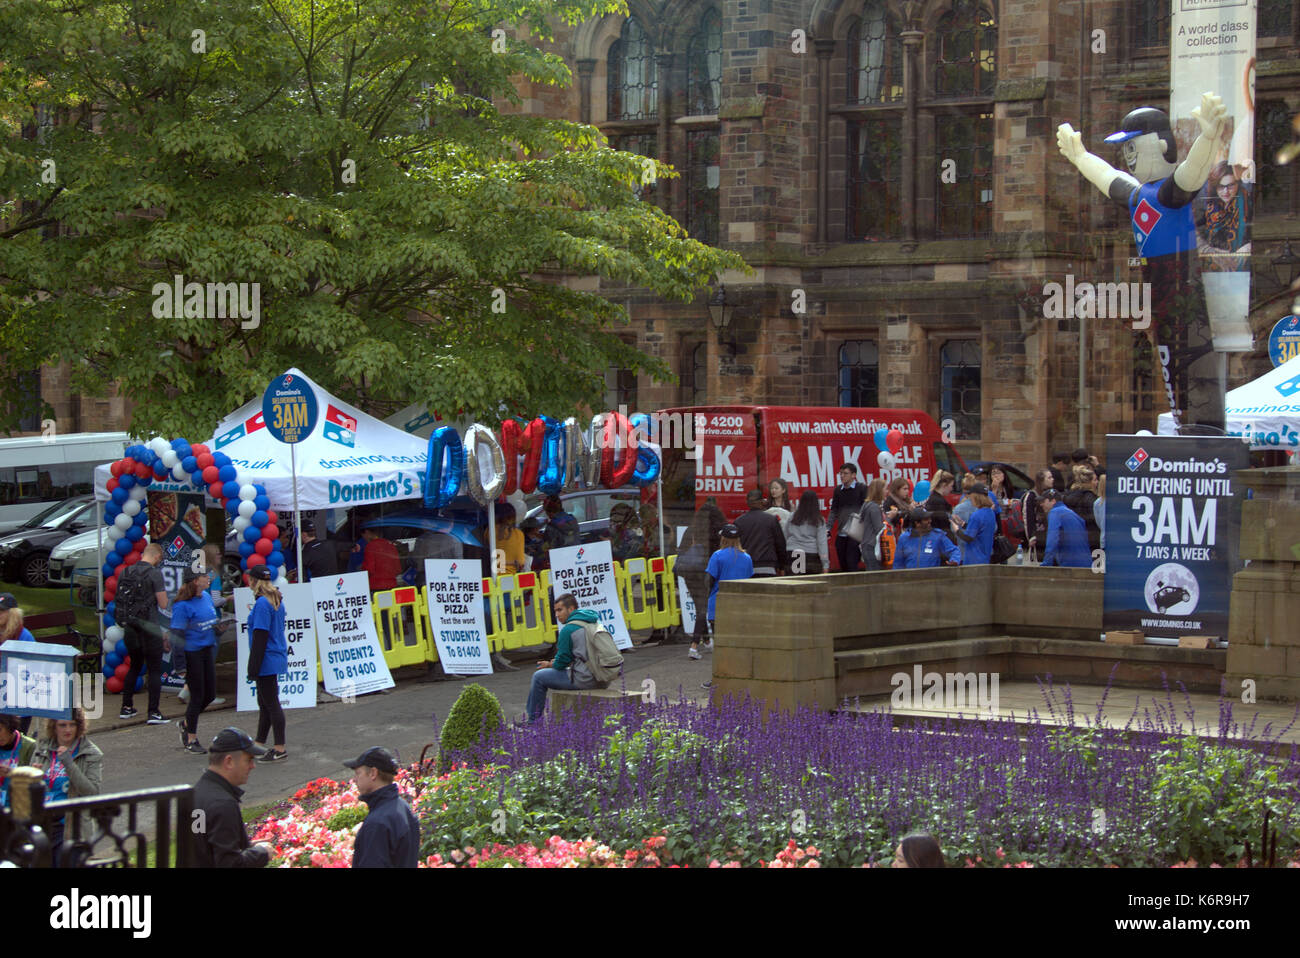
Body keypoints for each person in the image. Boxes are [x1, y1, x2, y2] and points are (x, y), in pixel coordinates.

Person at [187, 727, 273, 868]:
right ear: (229, 761)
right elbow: (230, 864)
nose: (253, 766)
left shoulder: (197, 792)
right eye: (249, 760)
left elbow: (203, 847)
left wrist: (246, 845)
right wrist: (261, 853)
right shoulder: (223, 803)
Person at [31, 708, 102, 863]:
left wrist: (68, 763)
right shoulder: (42, 748)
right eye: (62, 725)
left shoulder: (90, 753)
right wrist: (32, 777)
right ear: (54, 727)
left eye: (72, 725)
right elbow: (29, 792)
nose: (68, 730)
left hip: (70, 828)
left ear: (79, 726)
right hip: (43, 824)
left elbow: (92, 793)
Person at [525, 593, 601, 723]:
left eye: (560, 610)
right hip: (602, 677)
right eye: (555, 611)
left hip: (585, 679)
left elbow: (561, 663)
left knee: (538, 677)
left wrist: (549, 664)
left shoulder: (568, 629)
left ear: (571, 609)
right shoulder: (592, 621)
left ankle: (533, 722)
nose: (557, 615)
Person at [117, 542, 171, 724]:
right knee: (154, 669)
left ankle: (126, 707)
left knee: (134, 665)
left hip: (130, 628)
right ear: (156, 557)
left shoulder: (125, 572)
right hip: (150, 628)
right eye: (160, 559)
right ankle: (153, 712)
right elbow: (163, 604)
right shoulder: (155, 574)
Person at [170, 567, 221, 754]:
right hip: (192, 654)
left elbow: (210, 624)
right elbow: (176, 635)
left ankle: (185, 723)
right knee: (197, 696)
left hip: (207, 649)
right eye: (204, 576)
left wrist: (219, 629)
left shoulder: (206, 597)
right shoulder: (182, 606)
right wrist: (180, 665)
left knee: (210, 695)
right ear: (194, 581)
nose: (208, 578)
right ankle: (191, 738)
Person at [344, 747, 421, 868]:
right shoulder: (403, 807)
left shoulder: (377, 823)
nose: (354, 779)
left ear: (373, 773)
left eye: (358, 773)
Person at [245, 565, 288, 762]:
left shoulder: (262, 603)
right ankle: (259, 742)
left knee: (271, 703)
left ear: (253, 581)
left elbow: (260, 636)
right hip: (275, 654)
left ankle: (279, 747)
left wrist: (253, 665)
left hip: (266, 658)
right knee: (265, 702)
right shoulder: (276, 599)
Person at [679, 502, 725, 658]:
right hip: (707, 572)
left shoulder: (691, 531)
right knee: (702, 609)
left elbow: (681, 552)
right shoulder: (717, 533)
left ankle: (706, 642)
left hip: (689, 574)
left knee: (699, 607)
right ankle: (693, 646)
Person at [702, 525, 753, 657]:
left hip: (718, 604)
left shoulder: (717, 556)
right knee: (738, 645)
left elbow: (709, 581)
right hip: (741, 606)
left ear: (723, 538)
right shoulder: (747, 558)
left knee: (721, 645)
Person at [734, 488, 789, 577]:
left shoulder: (739, 522)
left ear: (747, 503)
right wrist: (782, 567)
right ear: (762, 502)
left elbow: (735, 547)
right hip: (768, 568)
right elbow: (780, 545)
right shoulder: (771, 520)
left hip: (745, 569)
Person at [1039, 489, 1092, 568]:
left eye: (1043, 501)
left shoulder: (1055, 512)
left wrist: (1046, 564)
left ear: (1053, 501)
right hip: (1087, 564)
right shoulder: (1072, 513)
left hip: (1071, 566)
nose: (1041, 504)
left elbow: (1052, 540)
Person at [894, 509, 961, 569]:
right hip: (910, 578)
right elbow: (898, 561)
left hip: (931, 578)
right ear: (917, 523)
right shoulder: (904, 538)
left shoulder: (937, 536)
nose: (930, 521)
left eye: (930, 518)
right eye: (926, 519)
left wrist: (954, 560)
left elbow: (954, 550)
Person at [829, 465, 866, 572]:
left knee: (852, 563)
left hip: (855, 533)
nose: (842, 476)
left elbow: (865, 508)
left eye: (845, 473)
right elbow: (834, 510)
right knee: (842, 562)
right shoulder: (838, 490)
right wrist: (828, 527)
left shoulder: (861, 488)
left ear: (853, 475)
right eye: (840, 473)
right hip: (842, 532)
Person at [784, 490, 828, 575]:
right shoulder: (819, 520)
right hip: (811, 555)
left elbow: (785, 536)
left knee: (793, 584)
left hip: (792, 553)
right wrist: (825, 564)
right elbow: (822, 543)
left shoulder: (792, 517)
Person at [0, 714, 37, 808]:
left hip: (18, 807)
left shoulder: (30, 746)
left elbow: (36, 781)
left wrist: (14, 773)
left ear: (9, 726)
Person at [956, 484, 998, 565]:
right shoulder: (990, 513)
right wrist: (964, 524)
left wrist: (957, 530)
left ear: (975, 497)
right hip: (986, 557)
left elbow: (968, 538)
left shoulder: (976, 515)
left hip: (973, 559)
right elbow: (980, 529)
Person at [1064, 465, 1102, 551]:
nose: (1097, 482)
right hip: (1090, 541)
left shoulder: (1068, 497)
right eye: (1095, 480)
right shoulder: (1092, 500)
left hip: (1071, 539)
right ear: (1089, 482)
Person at [856, 479, 888, 571]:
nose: (887, 491)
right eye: (885, 489)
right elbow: (879, 528)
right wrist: (889, 520)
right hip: (872, 546)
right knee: (875, 574)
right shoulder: (874, 507)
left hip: (866, 544)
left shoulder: (866, 504)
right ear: (879, 490)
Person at [359, 526, 401, 592]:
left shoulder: (370, 546)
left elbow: (369, 569)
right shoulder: (391, 546)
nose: (364, 538)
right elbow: (398, 569)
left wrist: (361, 569)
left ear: (367, 532)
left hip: (376, 587)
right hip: (392, 585)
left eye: (363, 535)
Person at [1024, 469, 1055, 559]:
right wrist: (1031, 536)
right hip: (1038, 535)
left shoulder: (1052, 494)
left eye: (1052, 477)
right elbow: (1027, 518)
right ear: (1041, 480)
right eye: (1049, 478)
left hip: (1050, 534)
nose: (1052, 479)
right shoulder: (1031, 496)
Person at [925, 471, 957, 538]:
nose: (951, 489)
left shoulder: (933, 498)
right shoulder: (939, 502)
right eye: (951, 486)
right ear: (944, 485)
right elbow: (944, 526)